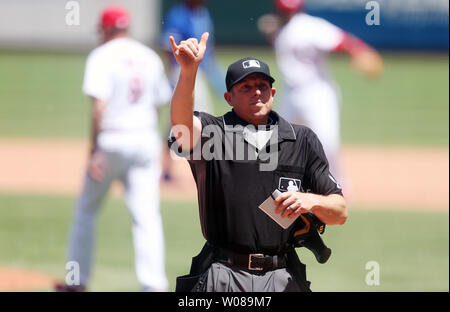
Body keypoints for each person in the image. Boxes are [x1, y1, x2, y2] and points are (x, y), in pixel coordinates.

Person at [168, 32, 348, 292]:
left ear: (273, 92)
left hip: (282, 274)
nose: (257, 93)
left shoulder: (301, 139)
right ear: (229, 98)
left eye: (262, 86)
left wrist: (312, 200)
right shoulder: (214, 134)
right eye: (246, 87)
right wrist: (188, 72)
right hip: (223, 273)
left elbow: (340, 212)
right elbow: (182, 125)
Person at [55, 5, 170, 292]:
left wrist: (94, 150)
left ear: (106, 30)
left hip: (112, 140)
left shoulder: (101, 56)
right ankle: (153, 285)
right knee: (147, 218)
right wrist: (152, 141)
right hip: (144, 139)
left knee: (86, 212)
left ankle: (77, 280)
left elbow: (99, 109)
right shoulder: (148, 56)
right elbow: (158, 105)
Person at [258, 0, 383, 185]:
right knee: (277, 141)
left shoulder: (310, 26)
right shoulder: (280, 29)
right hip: (290, 95)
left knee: (327, 142)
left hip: (317, 93)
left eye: (288, 11)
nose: (286, 14)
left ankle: (337, 185)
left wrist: (359, 51)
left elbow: (342, 40)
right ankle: (275, 183)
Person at [160, 0, 225, 181]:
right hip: (182, 72)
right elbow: (168, 48)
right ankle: (168, 169)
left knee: (196, 122)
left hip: (200, 75)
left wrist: (217, 79)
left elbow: (209, 52)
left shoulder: (203, 14)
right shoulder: (177, 15)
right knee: (181, 122)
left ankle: (209, 170)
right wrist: (174, 78)